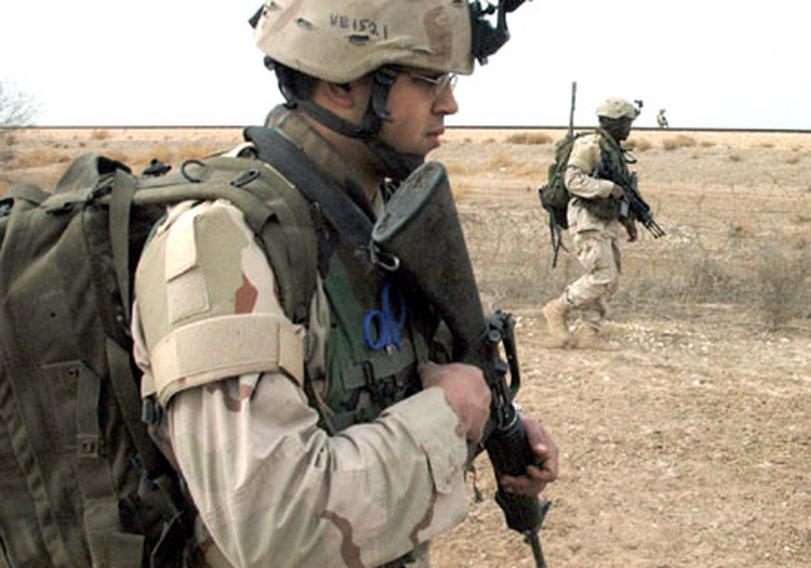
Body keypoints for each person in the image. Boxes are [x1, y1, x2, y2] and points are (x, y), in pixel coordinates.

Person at [130, 1, 558, 567]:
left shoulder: (369, 212)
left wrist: (491, 420)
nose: (450, 103)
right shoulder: (219, 241)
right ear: (340, 84)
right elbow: (276, 529)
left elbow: (377, 391)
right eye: (429, 79)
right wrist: (450, 416)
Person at [542, 98, 642, 349]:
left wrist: (628, 220)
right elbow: (573, 181)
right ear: (614, 122)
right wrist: (609, 188)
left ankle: (589, 333)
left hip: (604, 219)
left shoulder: (614, 150)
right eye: (627, 122)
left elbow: (621, 192)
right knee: (602, 275)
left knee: (610, 278)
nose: (629, 127)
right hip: (586, 217)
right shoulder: (590, 145)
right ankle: (558, 308)